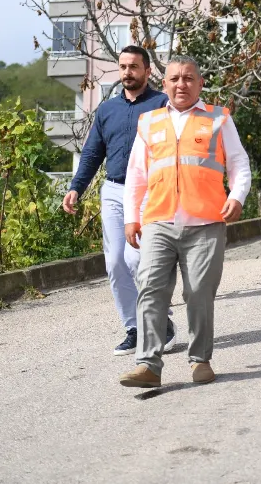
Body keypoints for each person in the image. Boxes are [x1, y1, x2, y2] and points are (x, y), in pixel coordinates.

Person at [118, 56, 251, 388]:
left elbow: (238, 164)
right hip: (158, 221)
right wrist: (131, 217)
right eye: (174, 79)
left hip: (206, 221)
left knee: (199, 292)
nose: (181, 84)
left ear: (200, 83)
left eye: (188, 78)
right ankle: (148, 364)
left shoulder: (218, 119)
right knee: (150, 286)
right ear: (164, 85)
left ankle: (200, 360)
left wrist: (237, 196)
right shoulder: (149, 122)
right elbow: (135, 175)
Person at [61, 46, 176, 356]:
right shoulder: (107, 109)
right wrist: (76, 187)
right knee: (114, 262)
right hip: (113, 190)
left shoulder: (163, 105)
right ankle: (133, 327)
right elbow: (92, 153)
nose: (127, 72)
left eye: (134, 66)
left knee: (137, 258)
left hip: (151, 191)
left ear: (147, 71)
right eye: (123, 66)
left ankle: (161, 320)